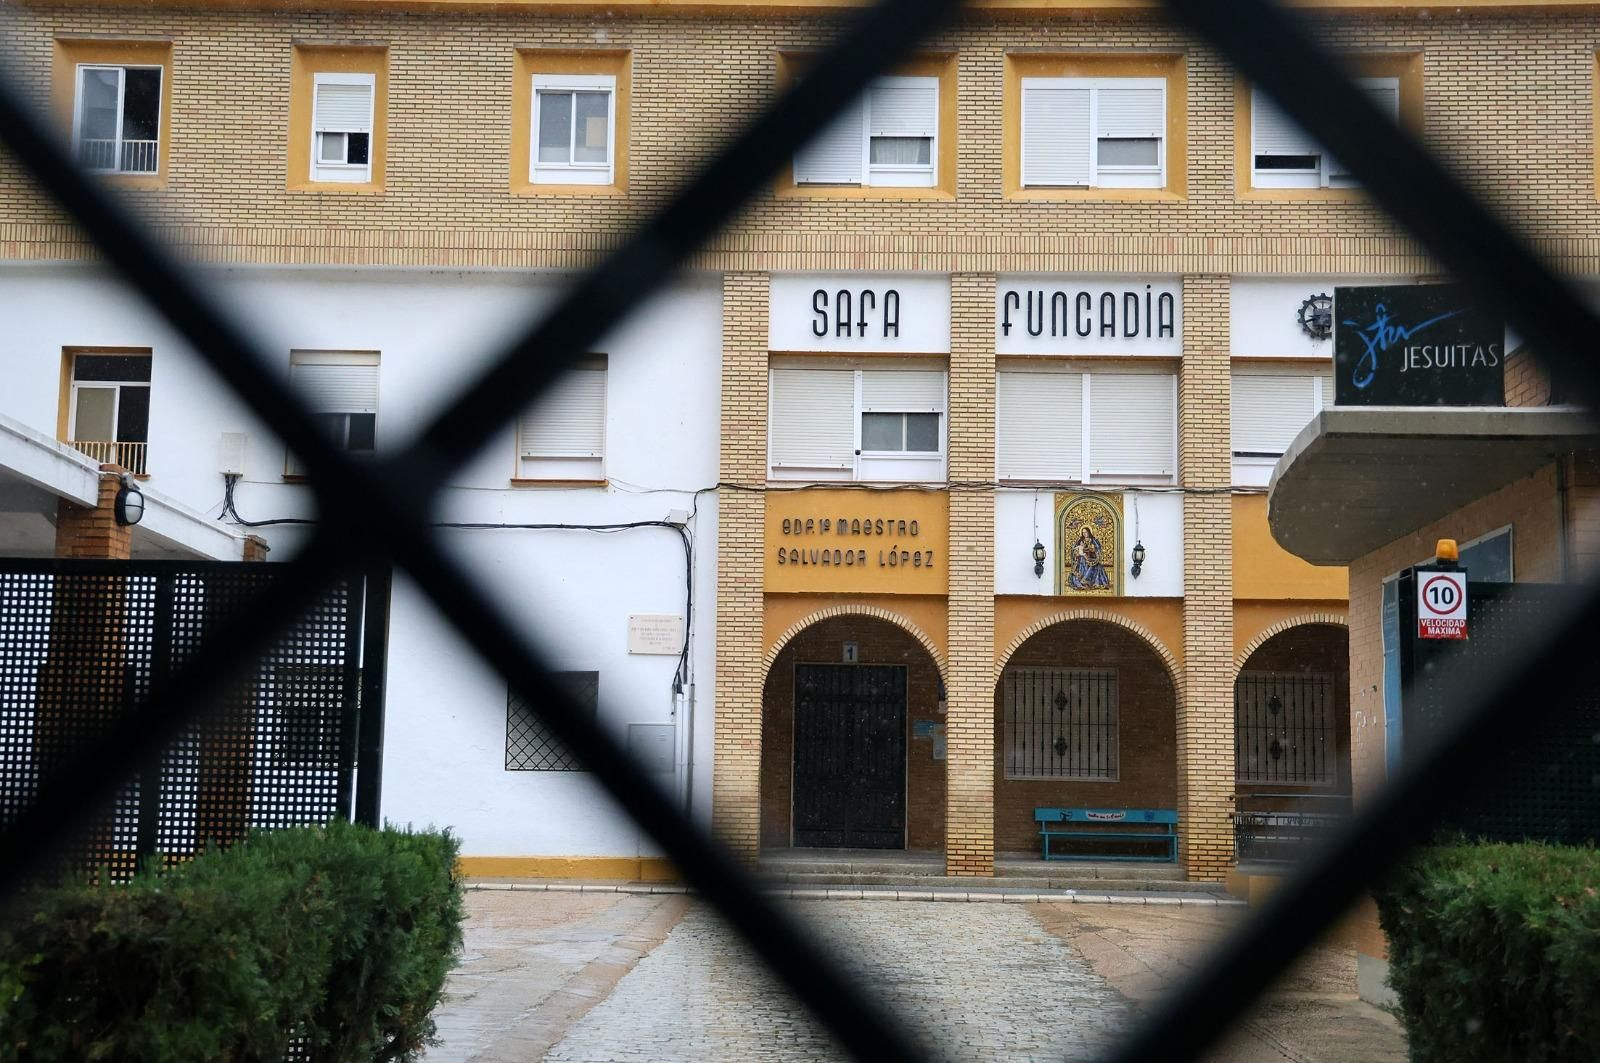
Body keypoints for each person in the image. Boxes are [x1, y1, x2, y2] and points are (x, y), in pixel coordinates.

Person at [1069, 524, 1112, 591]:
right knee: (1083, 559)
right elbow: (1075, 549)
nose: (1084, 534)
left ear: (1089, 532)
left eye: (1085, 532)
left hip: (1092, 558)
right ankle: (1084, 581)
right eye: (1083, 532)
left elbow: (1098, 549)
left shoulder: (1093, 540)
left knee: (1098, 566)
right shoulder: (1080, 541)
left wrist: (1093, 550)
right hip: (1082, 559)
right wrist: (1078, 553)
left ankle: (1094, 582)